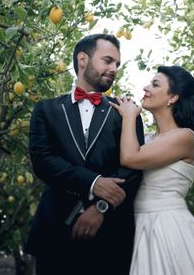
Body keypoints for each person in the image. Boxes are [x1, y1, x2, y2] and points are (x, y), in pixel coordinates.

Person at [25, 34, 145, 275]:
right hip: (55, 229)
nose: (113, 69)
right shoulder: (46, 109)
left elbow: (133, 168)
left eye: (117, 65)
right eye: (108, 61)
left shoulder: (126, 111)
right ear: (83, 59)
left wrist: (100, 207)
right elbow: (42, 161)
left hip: (110, 234)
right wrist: (93, 182)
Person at [111, 65, 194, 275]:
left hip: (166, 226)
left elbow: (130, 158)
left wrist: (129, 116)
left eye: (155, 84)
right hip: (136, 225)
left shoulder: (184, 137)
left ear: (172, 97)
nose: (146, 87)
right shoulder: (146, 139)